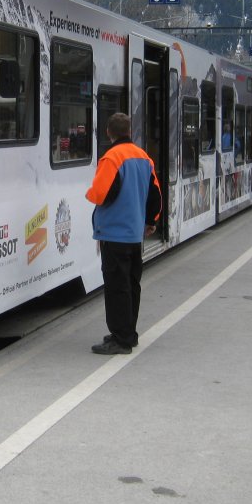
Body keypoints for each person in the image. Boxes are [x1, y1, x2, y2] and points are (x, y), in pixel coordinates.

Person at [85, 113, 162, 355]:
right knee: (131, 284)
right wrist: (151, 221)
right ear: (129, 131)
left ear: (109, 132)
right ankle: (128, 332)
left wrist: (89, 193)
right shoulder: (144, 157)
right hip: (133, 235)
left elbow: (100, 194)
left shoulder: (111, 158)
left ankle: (120, 339)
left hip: (114, 233)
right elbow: (156, 195)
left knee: (116, 286)